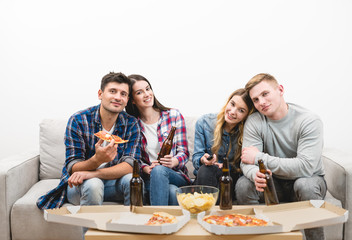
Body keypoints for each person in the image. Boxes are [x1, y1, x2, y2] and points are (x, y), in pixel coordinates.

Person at [235, 73, 327, 240]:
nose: (261, 102)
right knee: (243, 184)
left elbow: (305, 167)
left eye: (265, 94)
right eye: (255, 100)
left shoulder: (308, 120)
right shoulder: (255, 121)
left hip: (307, 180)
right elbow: (247, 160)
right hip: (273, 183)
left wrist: (259, 158)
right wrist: (253, 173)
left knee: (305, 185)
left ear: (280, 90)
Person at [37, 72, 142, 209]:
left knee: (133, 181)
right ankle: (92, 231)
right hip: (80, 184)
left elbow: (131, 166)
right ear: (100, 94)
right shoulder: (79, 120)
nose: (117, 97)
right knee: (94, 184)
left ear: (127, 100)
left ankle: (131, 227)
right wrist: (97, 160)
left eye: (123, 94)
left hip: (112, 183)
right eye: (112, 91)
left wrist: (94, 172)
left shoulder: (131, 123)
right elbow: (73, 167)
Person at [125, 74, 191, 205]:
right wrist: (144, 168)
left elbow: (184, 152)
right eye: (139, 92)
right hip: (150, 178)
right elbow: (133, 157)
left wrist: (174, 161)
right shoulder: (132, 124)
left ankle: (157, 220)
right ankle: (166, 222)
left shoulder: (174, 115)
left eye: (148, 89)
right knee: (172, 192)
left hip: (175, 174)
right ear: (132, 100)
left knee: (160, 170)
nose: (147, 94)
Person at [192, 89, 254, 196]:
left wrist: (225, 167)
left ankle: (204, 209)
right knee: (206, 170)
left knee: (221, 176)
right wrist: (204, 159)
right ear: (228, 102)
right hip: (205, 176)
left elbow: (245, 167)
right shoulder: (204, 123)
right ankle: (208, 209)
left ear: (247, 115)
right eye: (232, 104)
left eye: (241, 110)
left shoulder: (249, 131)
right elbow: (196, 158)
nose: (233, 112)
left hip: (230, 180)